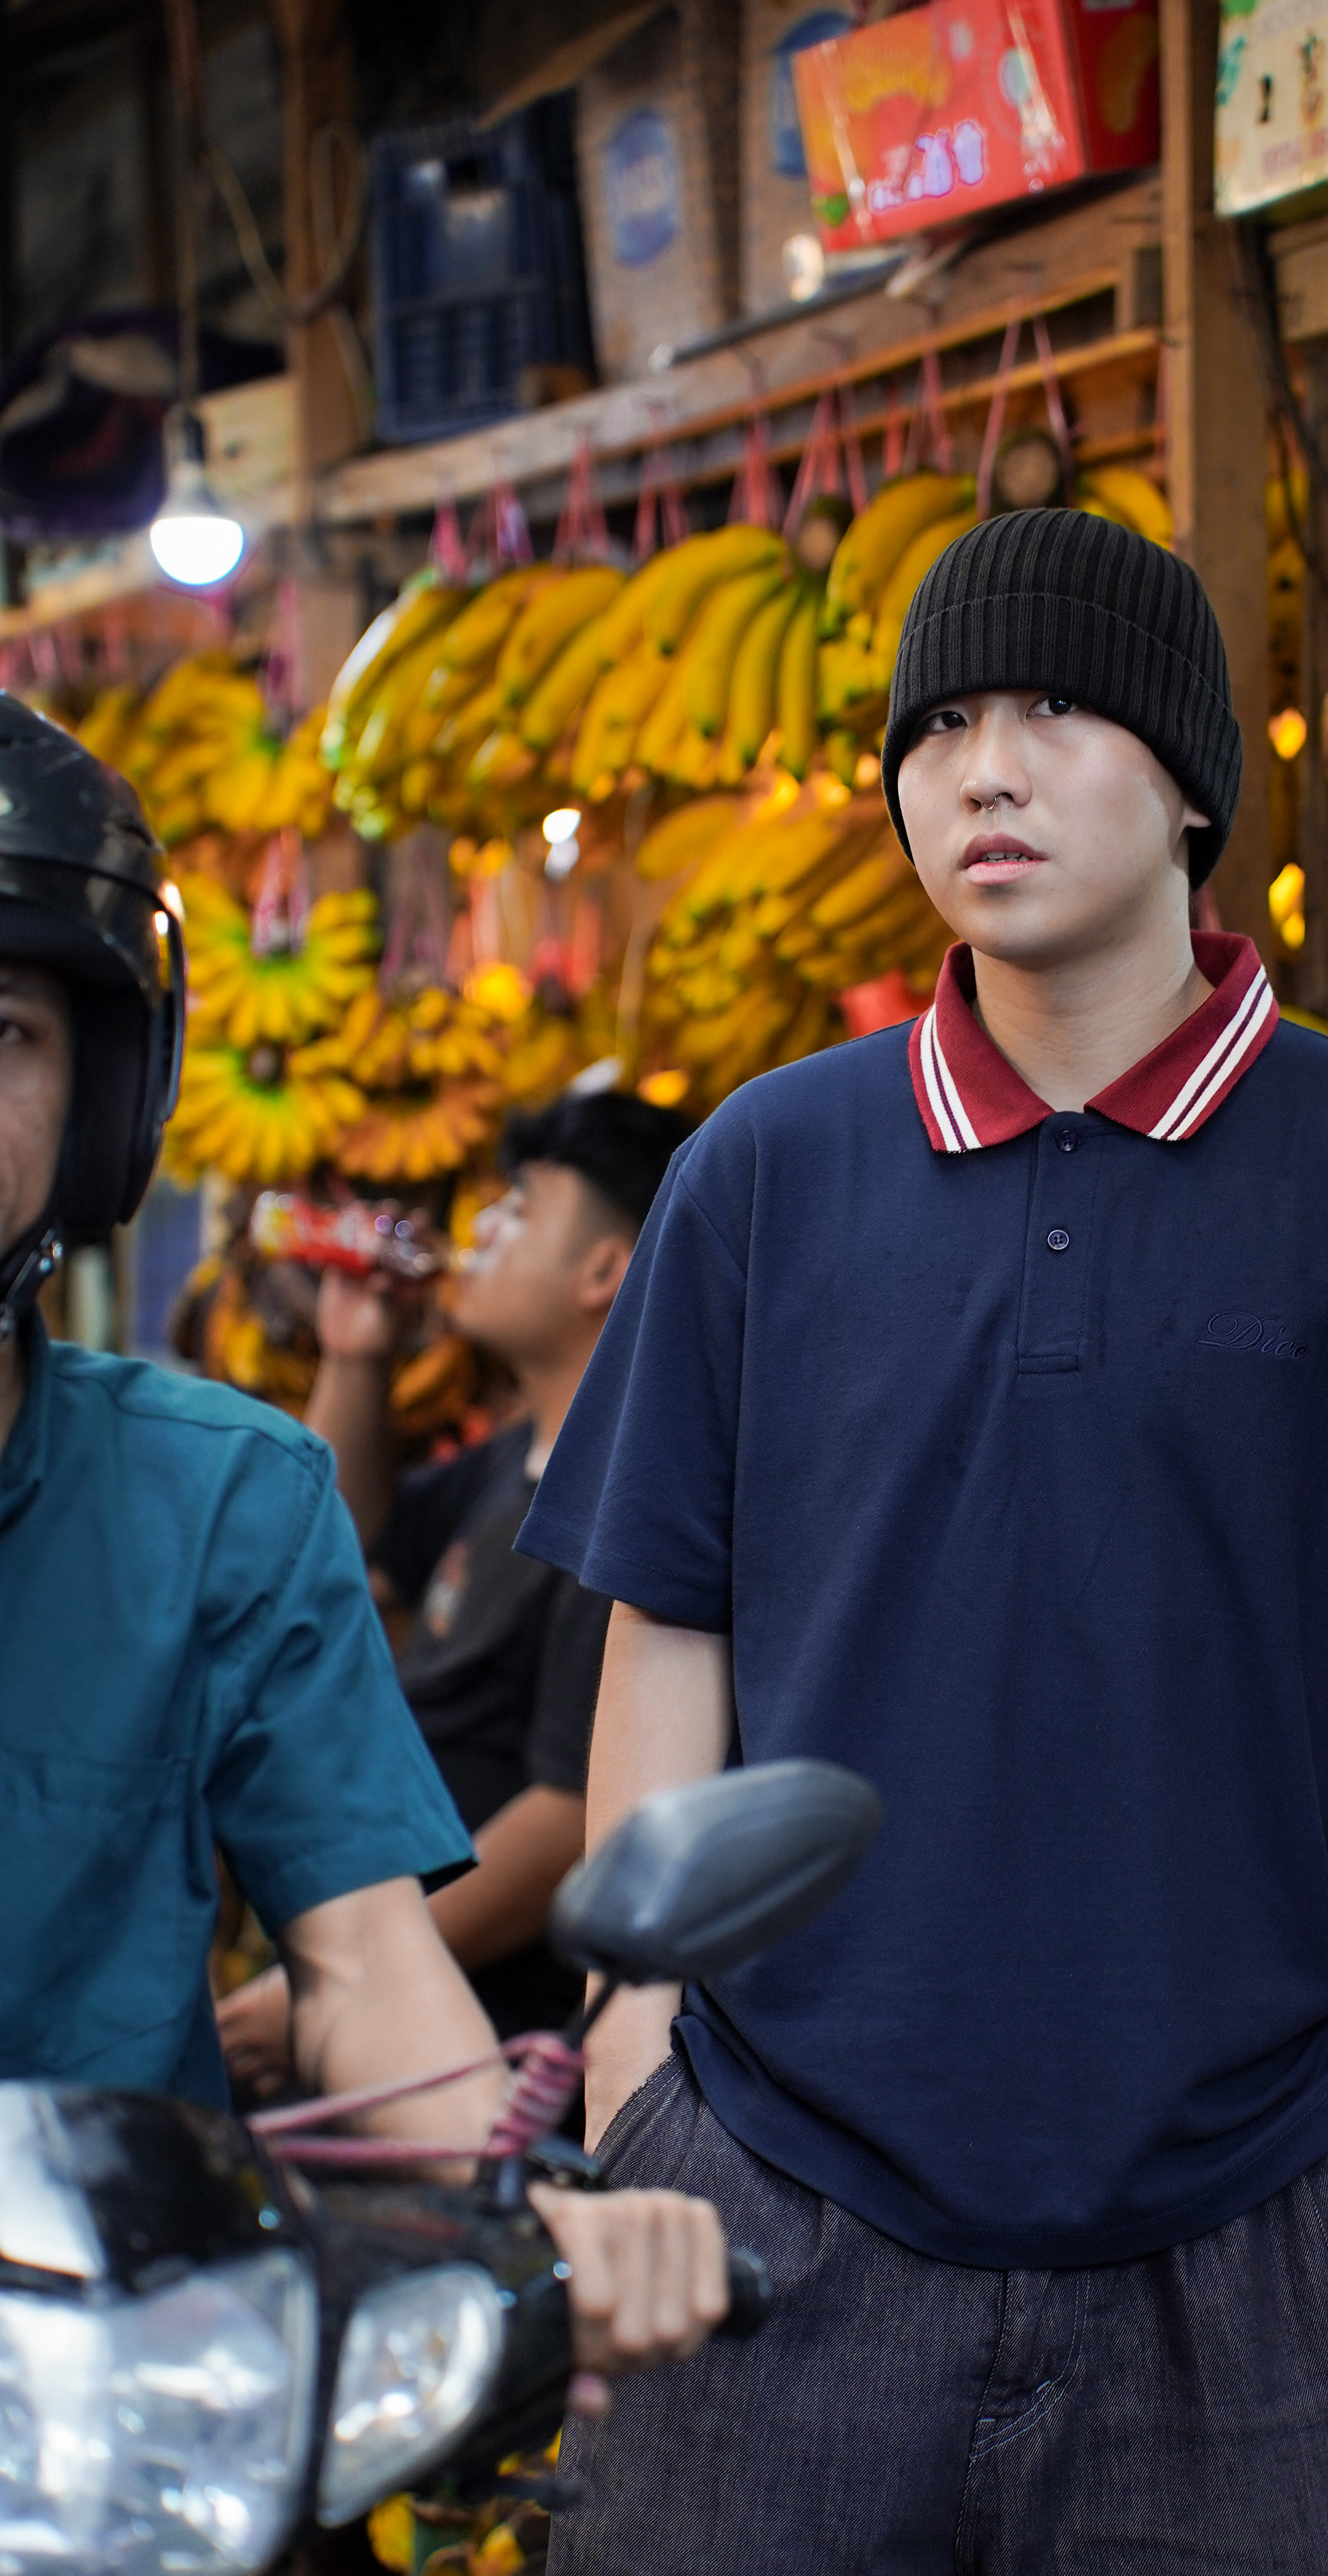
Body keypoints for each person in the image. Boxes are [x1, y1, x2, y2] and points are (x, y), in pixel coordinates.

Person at [518, 510, 1328, 2570]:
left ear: (1195, 775)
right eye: (937, 725)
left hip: (1232, 2253)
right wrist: (633, 2088)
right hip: (769, 2193)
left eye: (1048, 707)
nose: (982, 766)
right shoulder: (765, 1168)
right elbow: (669, 1626)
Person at [0, 696, 731, 2382]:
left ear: (106, 1097)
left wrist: (516, 2194)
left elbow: (364, 1954)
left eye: (9, 1027)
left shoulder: (227, 1497)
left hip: (107, 2379)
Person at [217, 1090, 689, 2087]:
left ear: (605, 1270)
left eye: (518, 1208)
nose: (481, 1232)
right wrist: (356, 1353)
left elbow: (569, 1818)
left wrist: (355, 1979)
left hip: (472, 2044)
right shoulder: (510, 1460)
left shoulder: (628, 1491)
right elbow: (337, 1558)